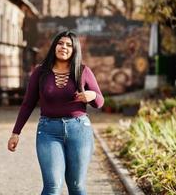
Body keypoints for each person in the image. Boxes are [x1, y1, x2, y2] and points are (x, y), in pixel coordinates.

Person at [7, 30, 104, 195]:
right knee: (52, 186)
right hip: (48, 131)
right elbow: (27, 104)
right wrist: (16, 132)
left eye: (68, 45)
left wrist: (92, 95)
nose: (64, 47)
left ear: (74, 50)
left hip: (79, 130)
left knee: (77, 186)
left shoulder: (83, 71)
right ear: (54, 46)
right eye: (60, 43)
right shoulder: (40, 72)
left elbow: (100, 102)